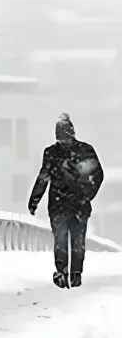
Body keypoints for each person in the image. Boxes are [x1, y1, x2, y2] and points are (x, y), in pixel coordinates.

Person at [28, 113, 104, 289]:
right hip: (78, 205)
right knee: (77, 240)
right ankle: (74, 274)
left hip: (59, 204)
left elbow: (43, 178)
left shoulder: (51, 153)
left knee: (61, 239)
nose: (63, 139)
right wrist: (86, 196)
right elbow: (97, 175)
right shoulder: (85, 151)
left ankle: (63, 272)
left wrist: (35, 200)